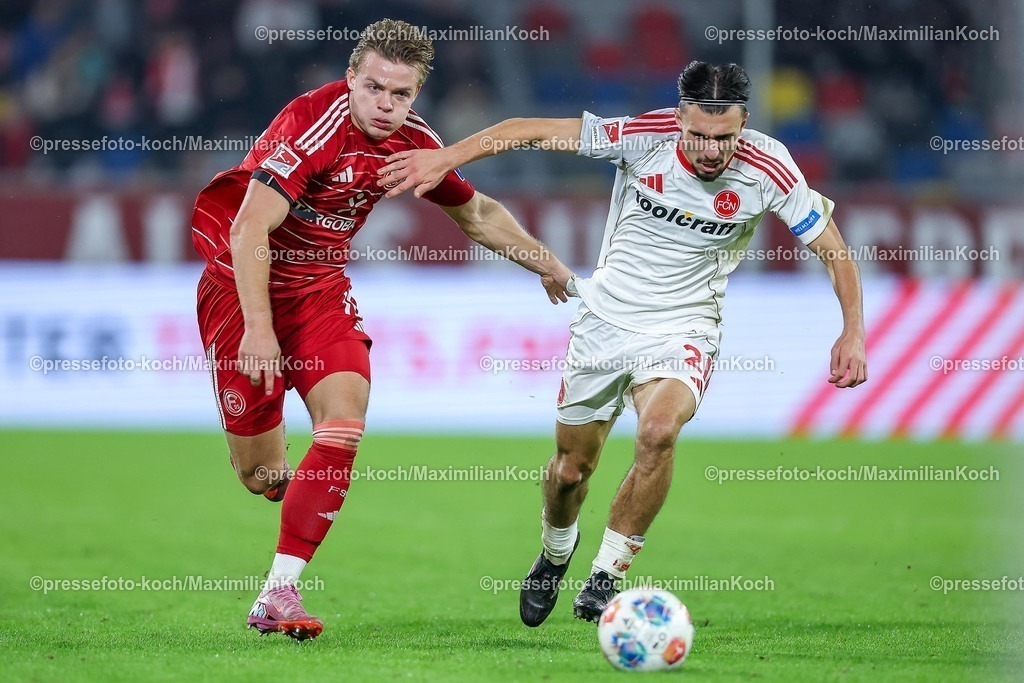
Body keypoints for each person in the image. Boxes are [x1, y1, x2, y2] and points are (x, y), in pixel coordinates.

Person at [376, 61, 868, 625]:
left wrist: (852, 329)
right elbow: (530, 128)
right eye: (699, 136)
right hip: (604, 323)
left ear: (745, 124)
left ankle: (607, 574)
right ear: (680, 117)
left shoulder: (768, 167)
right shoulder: (642, 137)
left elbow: (832, 247)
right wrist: (447, 157)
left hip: (684, 327)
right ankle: (555, 555)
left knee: (658, 433)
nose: (711, 151)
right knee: (569, 472)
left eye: (725, 138)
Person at [191, 19, 572, 640]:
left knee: (342, 426)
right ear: (350, 80)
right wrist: (259, 331)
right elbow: (249, 230)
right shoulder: (312, 124)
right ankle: (296, 487)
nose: (386, 106)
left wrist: (546, 263)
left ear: (416, 95)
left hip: (319, 292)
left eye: (401, 95)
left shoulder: (412, 142)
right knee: (262, 478)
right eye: (374, 89)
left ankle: (277, 592)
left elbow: (475, 213)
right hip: (244, 291)